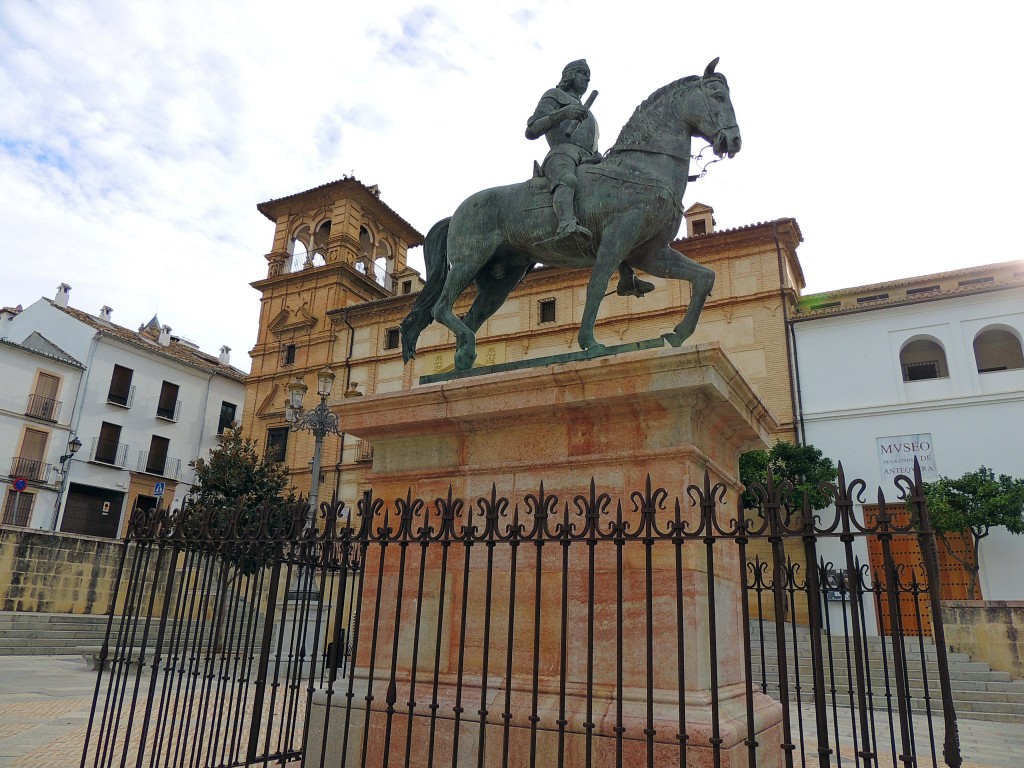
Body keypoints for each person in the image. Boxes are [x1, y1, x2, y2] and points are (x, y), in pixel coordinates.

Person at [526, 59, 654, 298]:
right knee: (567, 179)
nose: (587, 80)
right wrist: (563, 113)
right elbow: (531, 129)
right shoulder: (554, 96)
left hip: (589, 159)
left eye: (589, 76)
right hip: (562, 153)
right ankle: (566, 223)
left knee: (613, 205)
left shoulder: (588, 112)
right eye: (583, 74)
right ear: (570, 75)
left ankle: (627, 276)